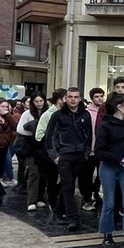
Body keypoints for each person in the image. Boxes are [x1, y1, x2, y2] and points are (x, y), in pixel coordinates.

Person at [94, 92, 124, 248]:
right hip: (109, 166)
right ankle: (107, 236)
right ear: (119, 107)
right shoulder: (105, 125)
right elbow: (99, 150)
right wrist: (118, 158)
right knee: (109, 202)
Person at [44, 87, 94, 232]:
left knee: (69, 184)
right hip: (64, 155)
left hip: (80, 155)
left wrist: (86, 153)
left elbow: (89, 135)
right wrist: (55, 156)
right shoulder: (57, 116)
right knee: (67, 186)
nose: (73, 99)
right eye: (70, 97)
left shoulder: (85, 115)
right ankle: (73, 218)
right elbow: (50, 137)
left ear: (80, 98)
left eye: (75, 97)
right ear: (65, 98)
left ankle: (58, 211)